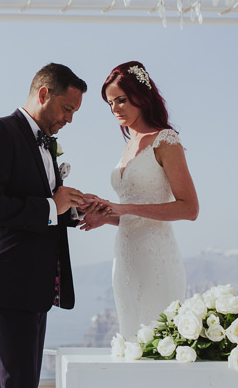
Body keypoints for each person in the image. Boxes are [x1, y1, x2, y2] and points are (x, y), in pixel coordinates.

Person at [0, 63, 90, 388]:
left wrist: (74, 210)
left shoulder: (44, 143)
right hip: (6, 281)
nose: (70, 119)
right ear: (44, 94)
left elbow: (42, 203)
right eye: (67, 108)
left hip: (34, 283)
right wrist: (51, 206)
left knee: (25, 380)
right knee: (16, 380)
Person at [80, 61, 199, 341]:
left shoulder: (166, 141)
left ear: (141, 97)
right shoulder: (128, 147)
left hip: (156, 258)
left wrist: (123, 207)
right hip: (124, 258)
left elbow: (189, 208)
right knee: (132, 339)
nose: (115, 109)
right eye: (110, 103)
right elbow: (132, 212)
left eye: (121, 100)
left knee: (157, 342)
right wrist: (105, 215)